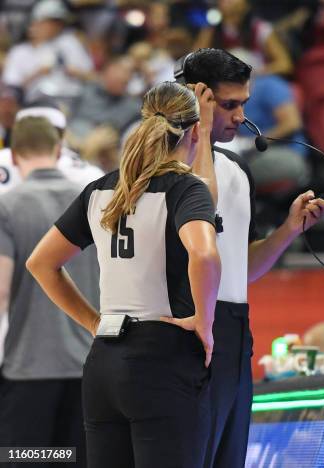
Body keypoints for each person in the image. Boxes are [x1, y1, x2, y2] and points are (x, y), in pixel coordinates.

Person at [26, 81, 221, 468]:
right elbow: (204, 255)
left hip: (103, 362)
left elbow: (42, 263)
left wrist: (94, 322)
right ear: (195, 131)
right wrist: (205, 321)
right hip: (162, 358)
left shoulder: (102, 189)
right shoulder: (186, 188)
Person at [174, 48, 324, 468]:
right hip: (181, 332)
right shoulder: (163, 167)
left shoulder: (236, 169)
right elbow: (201, 201)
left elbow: (239, 270)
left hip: (233, 332)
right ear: (198, 100)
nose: (241, 117)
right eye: (228, 105)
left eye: (243, 104)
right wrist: (202, 125)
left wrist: (288, 231)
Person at [0, 117, 99, 467]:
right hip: (89, 366)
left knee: (25, 459)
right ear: (58, 150)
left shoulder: (7, 207)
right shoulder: (93, 201)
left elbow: (0, 290)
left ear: (13, 157)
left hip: (29, 369)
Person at [2, 0, 93, 102]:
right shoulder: (19, 51)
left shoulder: (70, 42)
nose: (56, 26)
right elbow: (12, 90)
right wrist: (38, 73)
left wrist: (76, 72)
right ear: (35, 23)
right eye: (50, 22)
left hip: (73, 99)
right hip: (36, 102)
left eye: (59, 23)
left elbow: (92, 77)